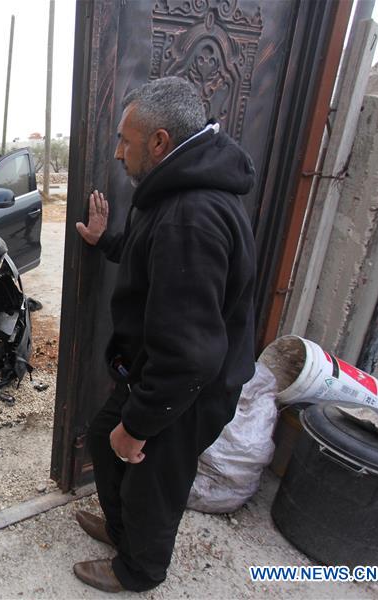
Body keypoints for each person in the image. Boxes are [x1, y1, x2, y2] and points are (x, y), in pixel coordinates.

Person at [71, 76, 257, 593]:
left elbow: (190, 355)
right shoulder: (176, 193)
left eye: (125, 141)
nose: (116, 152)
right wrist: (107, 240)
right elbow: (153, 258)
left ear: (159, 142)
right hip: (159, 375)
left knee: (153, 483)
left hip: (186, 390)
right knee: (108, 447)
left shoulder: (190, 216)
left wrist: (140, 423)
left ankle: (140, 571)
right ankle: (121, 531)